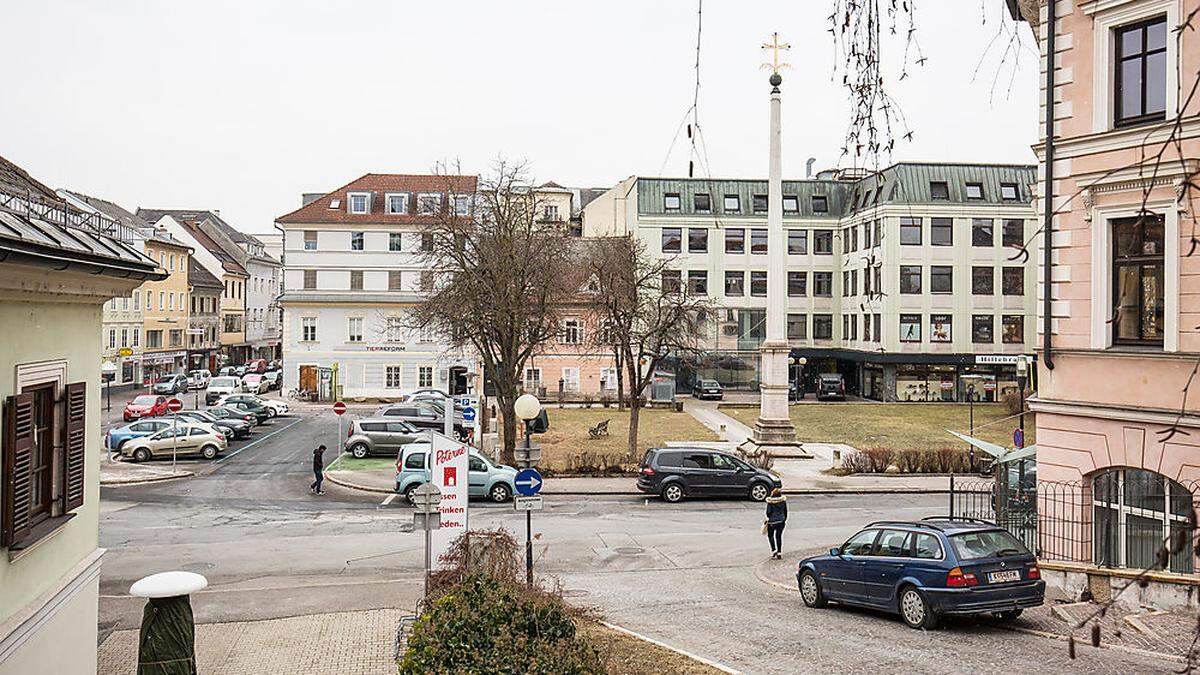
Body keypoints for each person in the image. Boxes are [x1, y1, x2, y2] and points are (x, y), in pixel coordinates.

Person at [764, 488, 787, 559]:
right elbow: (785, 511)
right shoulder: (783, 501)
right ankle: (779, 552)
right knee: (778, 536)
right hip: (781, 521)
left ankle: (774, 551)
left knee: (770, 536)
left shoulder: (770, 502)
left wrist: (769, 518)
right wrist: (784, 519)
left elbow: (768, 512)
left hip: (772, 522)